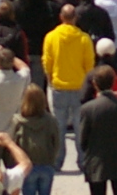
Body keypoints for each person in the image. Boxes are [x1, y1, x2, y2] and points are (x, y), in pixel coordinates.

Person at [44, 11, 95, 172]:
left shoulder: (51, 37)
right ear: (75, 18)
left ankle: (57, 162)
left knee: (59, 127)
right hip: (80, 87)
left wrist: (50, 80)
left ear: (61, 17)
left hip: (59, 86)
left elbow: (47, 62)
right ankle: (83, 161)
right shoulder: (84, 38)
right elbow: (89, 64)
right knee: (80, 127)